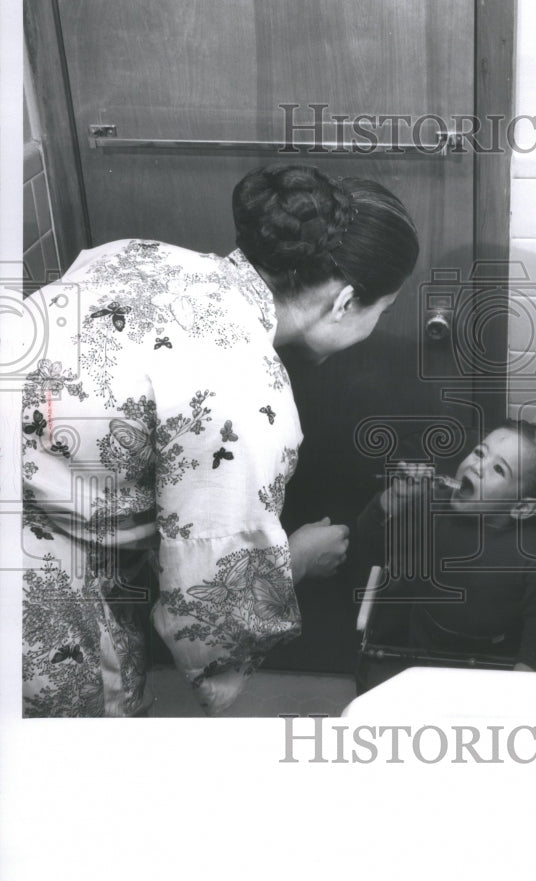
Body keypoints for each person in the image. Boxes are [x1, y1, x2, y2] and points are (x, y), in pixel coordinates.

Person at [21, 165, 419, 717]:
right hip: (37, 569)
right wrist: (297, 558)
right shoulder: (247, 399)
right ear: (345, 302)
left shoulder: (138, 253)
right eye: (384, 310)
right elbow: (210, 607)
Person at [354, 420, 536, 691]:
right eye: (480, 453)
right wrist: (396, 499)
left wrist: (522, 682)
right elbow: (370, 539)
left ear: (522, 507)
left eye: (498, 469)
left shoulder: (535, 553)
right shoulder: (431, 505)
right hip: (419, 653)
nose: (476, 466)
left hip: (490, 667)